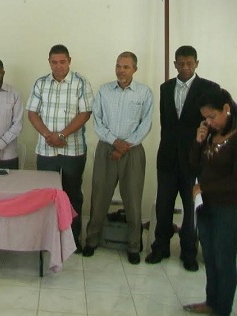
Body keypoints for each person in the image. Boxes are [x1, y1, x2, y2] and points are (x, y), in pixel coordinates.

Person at [146, 46, 220, 271]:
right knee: (164, 206)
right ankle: (160, 247)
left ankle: (189, 252)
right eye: (181, 63)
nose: (185, 67)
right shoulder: (165, 88)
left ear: (197, 63)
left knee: (191, 208)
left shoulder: (209, 89)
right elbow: (167, 124)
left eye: (189, 63)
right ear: (175, 64)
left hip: (194, 159)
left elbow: (214, 123)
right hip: (168, 157)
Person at [81, 52, 153, 264]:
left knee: (132, 199)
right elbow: (98, 122)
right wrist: (115, 142)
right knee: (99, 196)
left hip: (133, 151)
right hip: (107, 150)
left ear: (134, 70)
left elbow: (146, 124)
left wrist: (124, 146)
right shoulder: (104, 91)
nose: (121, 70)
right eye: (118, 66)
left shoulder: (144, 93)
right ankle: (92, 240)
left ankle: (133, 245)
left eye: (126, 67)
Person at [26, 44, 94, 253]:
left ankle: (73, 240)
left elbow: (85, 113)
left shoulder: (81, 83)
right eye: (54, 62)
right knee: (47, 196)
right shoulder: (40, 83)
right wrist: (49, 135)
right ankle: (48, 240)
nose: (58, 66)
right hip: (46, 150)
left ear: (69, 61)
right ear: (49, 62)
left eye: (62, 62)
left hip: (73, 150)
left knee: (72, 195)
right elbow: (32, 113)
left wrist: (62, 135)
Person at [184, 89, 236, 316]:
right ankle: (211, 302)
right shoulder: (211, 134)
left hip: (228, 208)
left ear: (226, 108)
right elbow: (194, 164)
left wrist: (205, 188)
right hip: (205, 205)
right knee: (210, 257)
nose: (209, 122)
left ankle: (222, 309)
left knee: (224, 260)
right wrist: (198, 141)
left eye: (212, 117)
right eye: (205, 118)